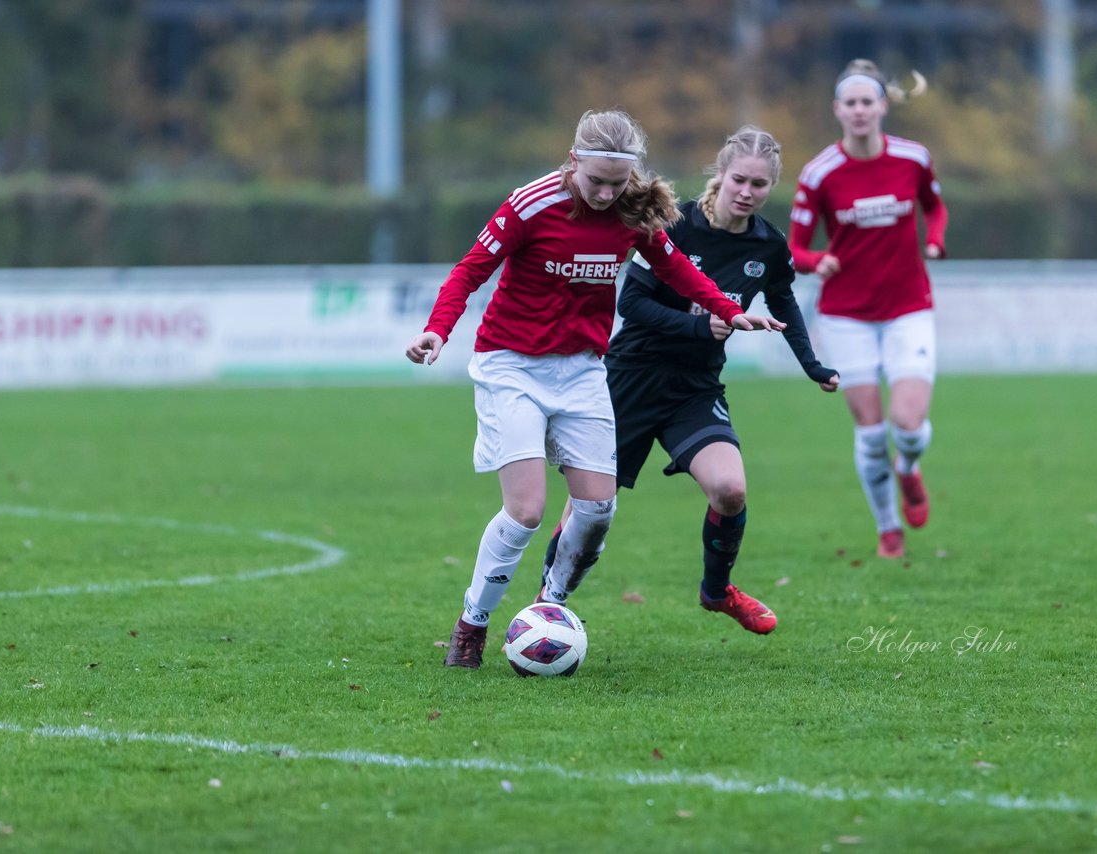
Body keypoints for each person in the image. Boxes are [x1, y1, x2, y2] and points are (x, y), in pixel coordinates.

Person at [405, 109, 784, 669]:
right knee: (528, 510)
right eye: (596, 181)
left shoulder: (633, 211)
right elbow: (470, 270)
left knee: (597, 507)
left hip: (582, 370)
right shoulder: (529, 204)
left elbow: (676, 269)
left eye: (617, 182)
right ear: (574, 160)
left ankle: (549, 608)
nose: (606, 194)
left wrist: (728, 309)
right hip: (512, 365)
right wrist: (437, 329)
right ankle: (472, 624)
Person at [538, 126, 840, 635]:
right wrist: (701, 324)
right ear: (719, 176)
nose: (747, 191)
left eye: (759, 185)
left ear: (771, 188)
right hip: (629, 381)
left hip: (694, 388)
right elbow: (630, 303)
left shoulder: (768, 246)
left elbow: (784, 303)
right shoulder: (672, 226)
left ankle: (717, 592)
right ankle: (546, 605)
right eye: (739, 179)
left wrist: (813, 365)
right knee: (590, 510)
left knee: (730, 490)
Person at [787, 59, 947, 559]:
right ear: (838, 110)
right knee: (873, 433)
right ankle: (887, 529)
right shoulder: (819, 173)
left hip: (907, 306)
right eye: (849, 103)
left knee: (908, 422)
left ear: (882, 106)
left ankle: (909, 468)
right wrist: (818, 261)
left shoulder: (913, 158)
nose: (859, 110)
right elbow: (794, 248)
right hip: (846, 314)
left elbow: (934, 207)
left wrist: (936, 240)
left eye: (867, 101)